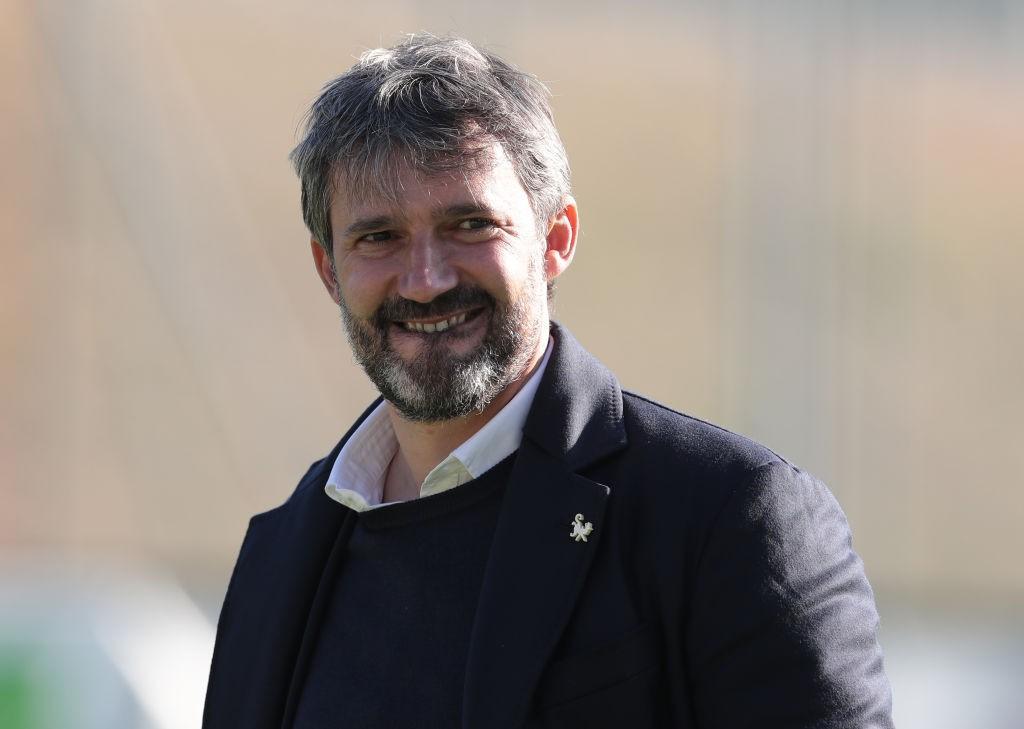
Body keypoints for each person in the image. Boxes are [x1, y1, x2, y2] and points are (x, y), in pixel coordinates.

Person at [203, 34, 893, 729]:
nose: (426, 279)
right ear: (329, 269)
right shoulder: (278, 558)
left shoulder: (731, 520)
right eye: (378, 238)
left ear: (555, 237)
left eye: (469, 224)